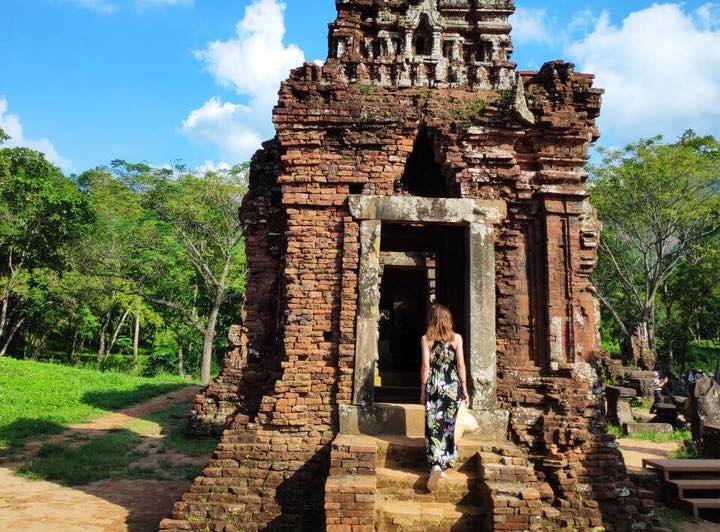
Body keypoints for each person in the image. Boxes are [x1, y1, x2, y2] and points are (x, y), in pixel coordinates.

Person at [420, 304, 469, 492]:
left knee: (433, 425)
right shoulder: (457, 339)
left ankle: (435, 465)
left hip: (434, 385)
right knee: (449, 425)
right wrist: (464, 388)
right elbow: (461, 365)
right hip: (451, 386)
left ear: (432, 319)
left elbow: (425, 366)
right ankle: (445, 460)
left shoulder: (426, 339)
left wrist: (423, 390)